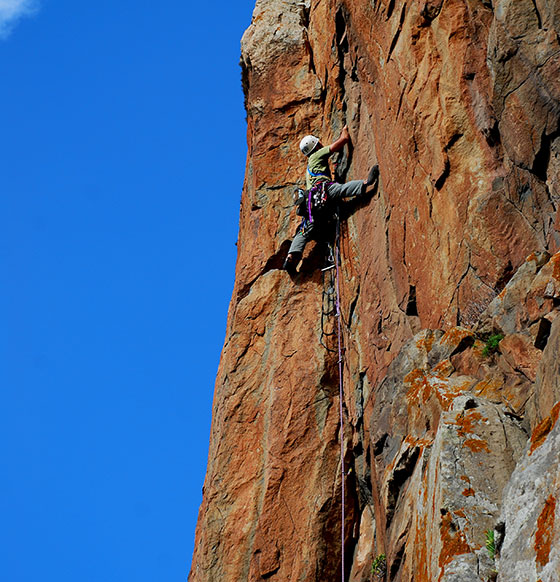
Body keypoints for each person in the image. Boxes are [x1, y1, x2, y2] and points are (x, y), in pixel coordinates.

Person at [283, 125, 379, 274]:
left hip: (312, 206)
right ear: (315, 145)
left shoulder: (309, 165)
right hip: (324, 192)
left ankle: (292, 256)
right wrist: (344, 132)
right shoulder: (316, 155)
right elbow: (342, 141)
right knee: (340, 190)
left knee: (303, 233)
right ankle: (366, 182)